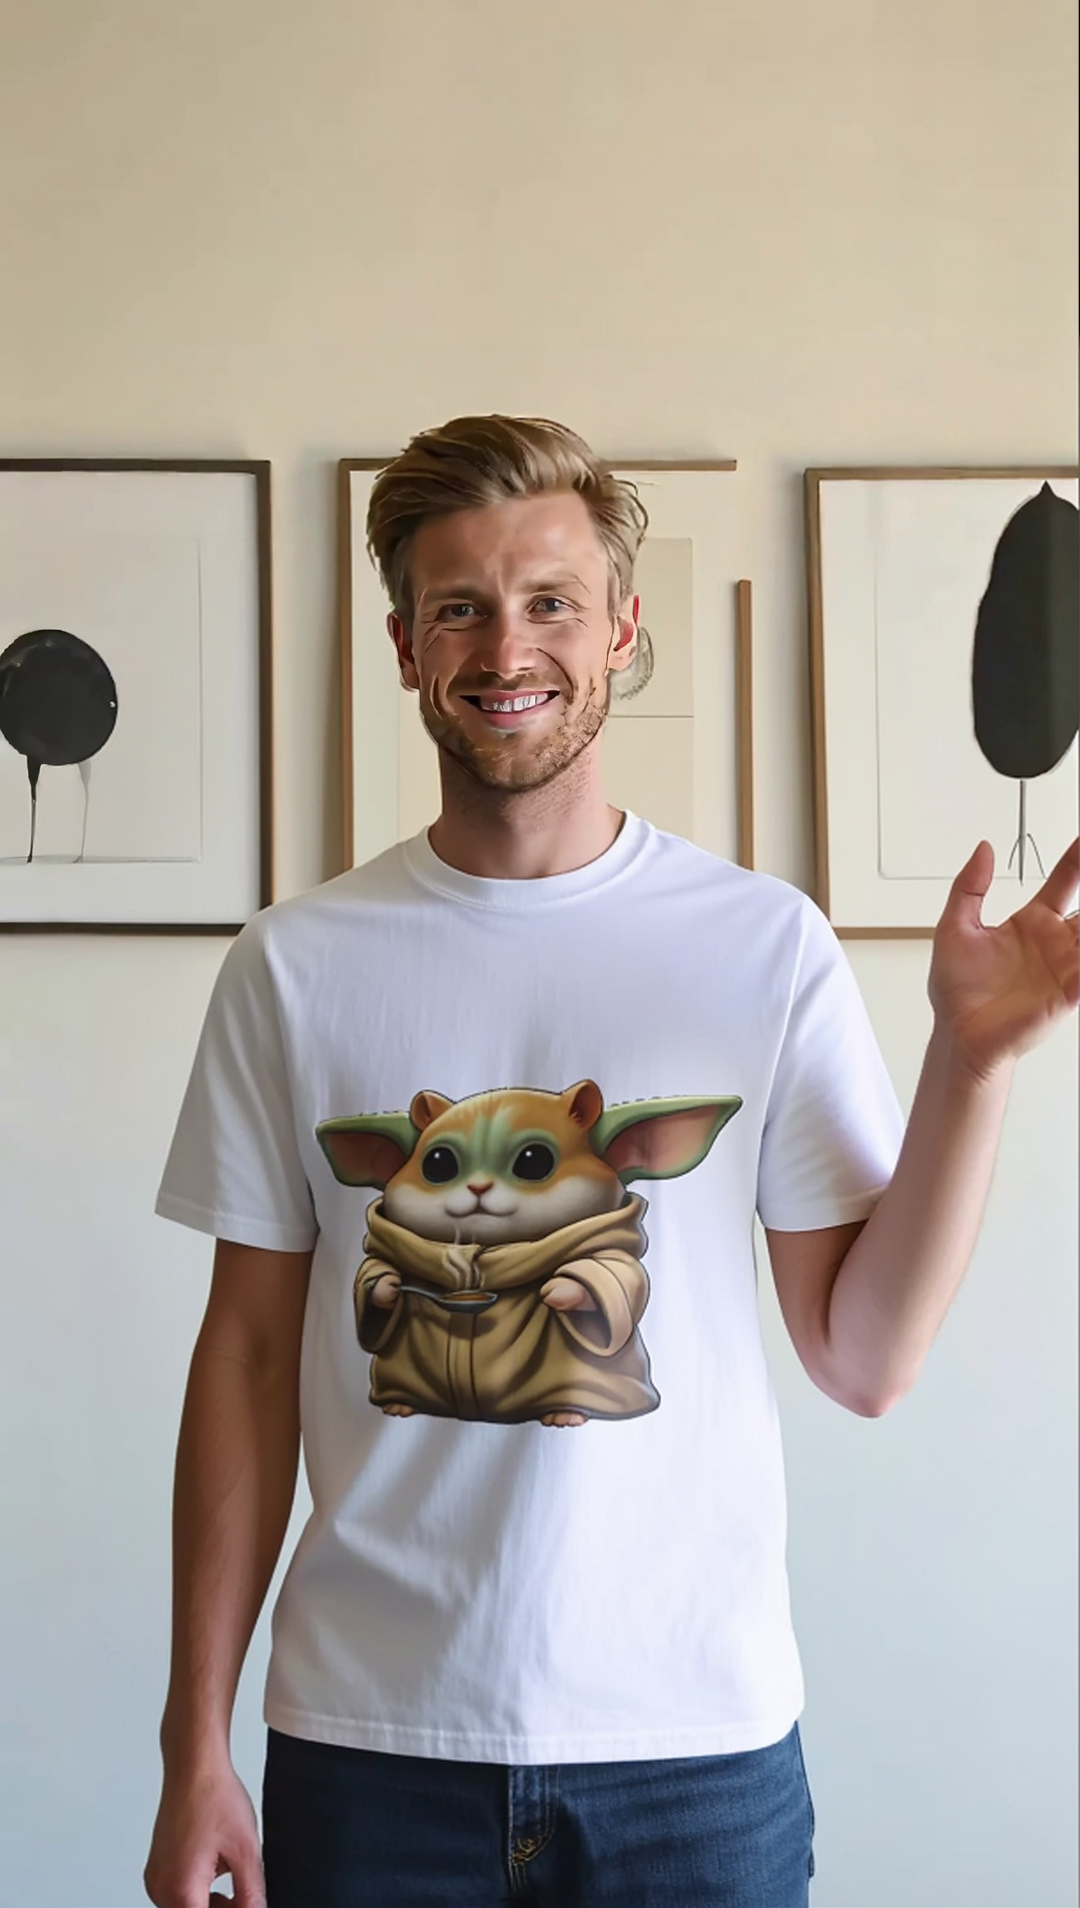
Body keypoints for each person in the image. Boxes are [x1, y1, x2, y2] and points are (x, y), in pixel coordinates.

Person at [143, 415, 1079, 1908]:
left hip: (694, 1753)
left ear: (622, 629)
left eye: (550, 601)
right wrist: (195, 1747)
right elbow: (246, 1360)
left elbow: (867, 1355)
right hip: (370, 1744)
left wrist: (970, 1068)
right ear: (403, 644)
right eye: (458, 605)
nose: (505, 645)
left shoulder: (764, 945)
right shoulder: (293, 967)